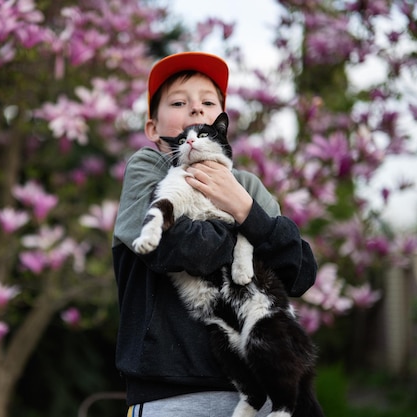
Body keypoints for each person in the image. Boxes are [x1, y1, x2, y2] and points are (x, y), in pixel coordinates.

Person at [112, 51, 318, 417]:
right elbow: (179, 248)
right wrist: (244, 228)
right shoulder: (148, 169)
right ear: (153, 128)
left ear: (220, 125)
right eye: (179, 102)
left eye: (208, 102)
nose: (195, 109)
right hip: (170, 394)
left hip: (263, 390)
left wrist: (244, 206)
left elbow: (298, 272)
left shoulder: (247, 186)